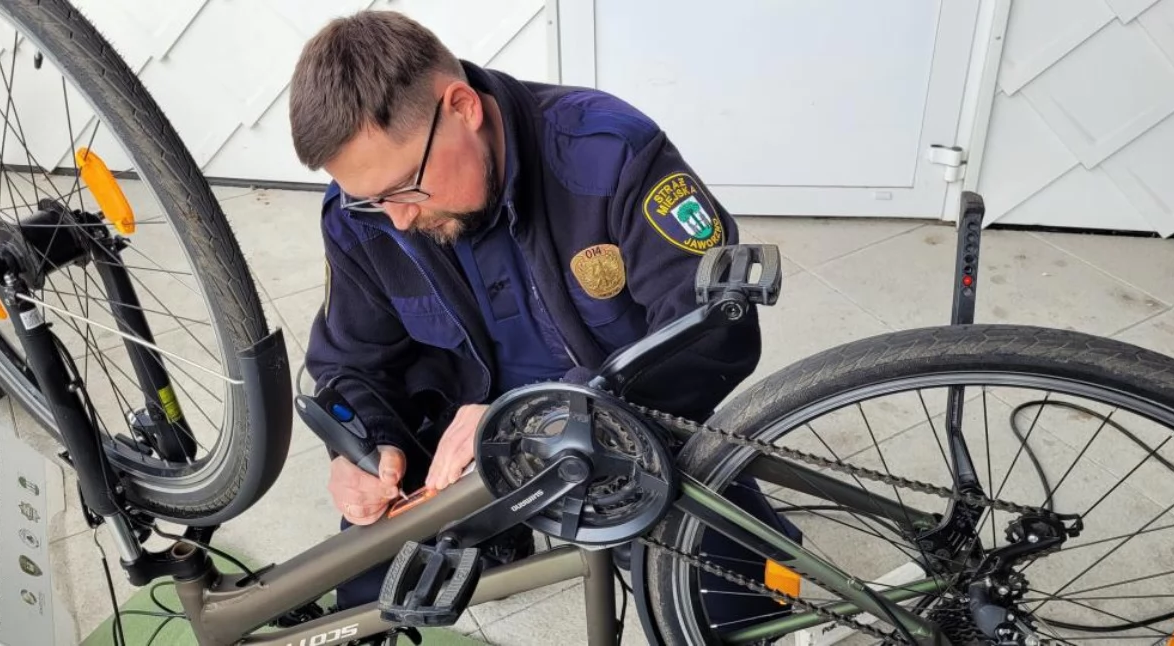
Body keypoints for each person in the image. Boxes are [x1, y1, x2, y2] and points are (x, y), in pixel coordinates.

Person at [290, 9, 798, 633]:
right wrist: (365, 448)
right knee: (363, 593)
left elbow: (714, 329)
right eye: (371, 199)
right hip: (456, 447)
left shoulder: (608, 153)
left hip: (620, 425)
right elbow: (350, 360)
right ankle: (497, 536)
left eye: (405, 188)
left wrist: (533, 417)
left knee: (733, 608)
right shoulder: (362, 214)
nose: (395, 218)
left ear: (462, 108)